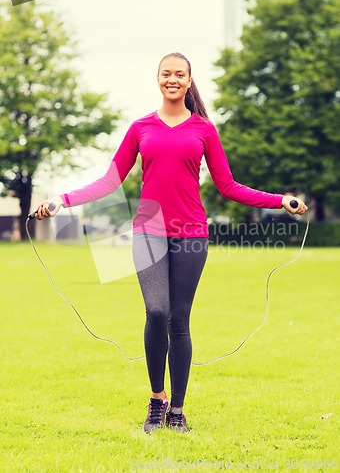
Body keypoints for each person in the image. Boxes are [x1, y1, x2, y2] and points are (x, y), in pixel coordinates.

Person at [35, 52, 308, 433]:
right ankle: (156, 399)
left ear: (189, 79)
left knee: (179, 320)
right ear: (158, 79)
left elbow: (228, 186)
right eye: (167, 74)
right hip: (148, 229)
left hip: (192, 232)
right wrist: (60, 200)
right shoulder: (140, 128)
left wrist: (279, 200)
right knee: (157, 311)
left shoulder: (204, 130)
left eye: (180, 74)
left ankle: (177, 410)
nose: (173, 80)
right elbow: (109, 182)